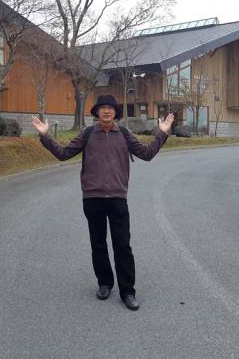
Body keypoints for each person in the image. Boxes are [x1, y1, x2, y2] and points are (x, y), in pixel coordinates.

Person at [32, 94, 174, 311]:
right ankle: (105, 283)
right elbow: (63, 153)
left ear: (115, 113)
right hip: (93, 198)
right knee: (98, 244)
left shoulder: (124, 134)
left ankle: (127, 291)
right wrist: (45, 136)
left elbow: (146, 154)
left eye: (110, 108)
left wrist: (162, 133)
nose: (106, 111)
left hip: (118, 198)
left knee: (122, 246)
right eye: (102, 108)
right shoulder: (88, 134)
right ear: (97, 112)